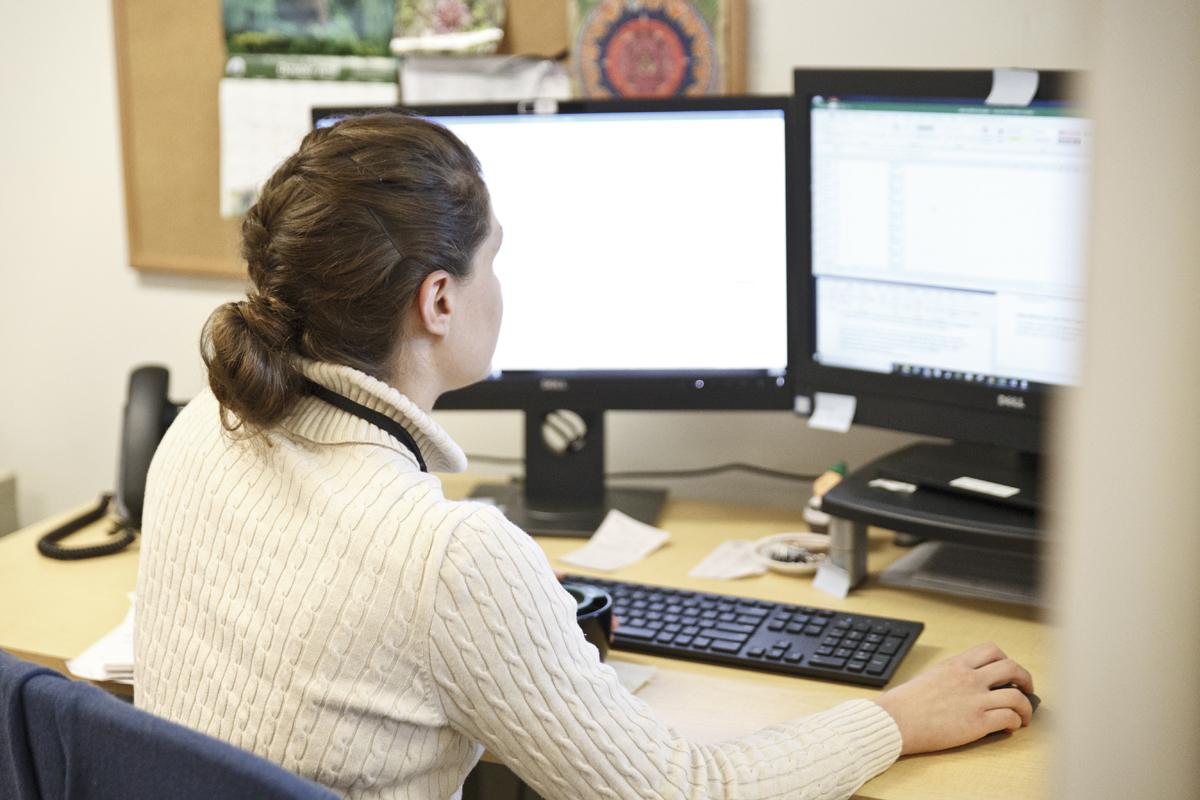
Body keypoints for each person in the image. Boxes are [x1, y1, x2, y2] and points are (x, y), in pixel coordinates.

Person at [134, 112, 1036, 800]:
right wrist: (892, 721)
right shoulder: (448, 558)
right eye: (495, 261)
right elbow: (682, 791)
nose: (504, 287)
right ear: (439, 300)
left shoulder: (202, 430)